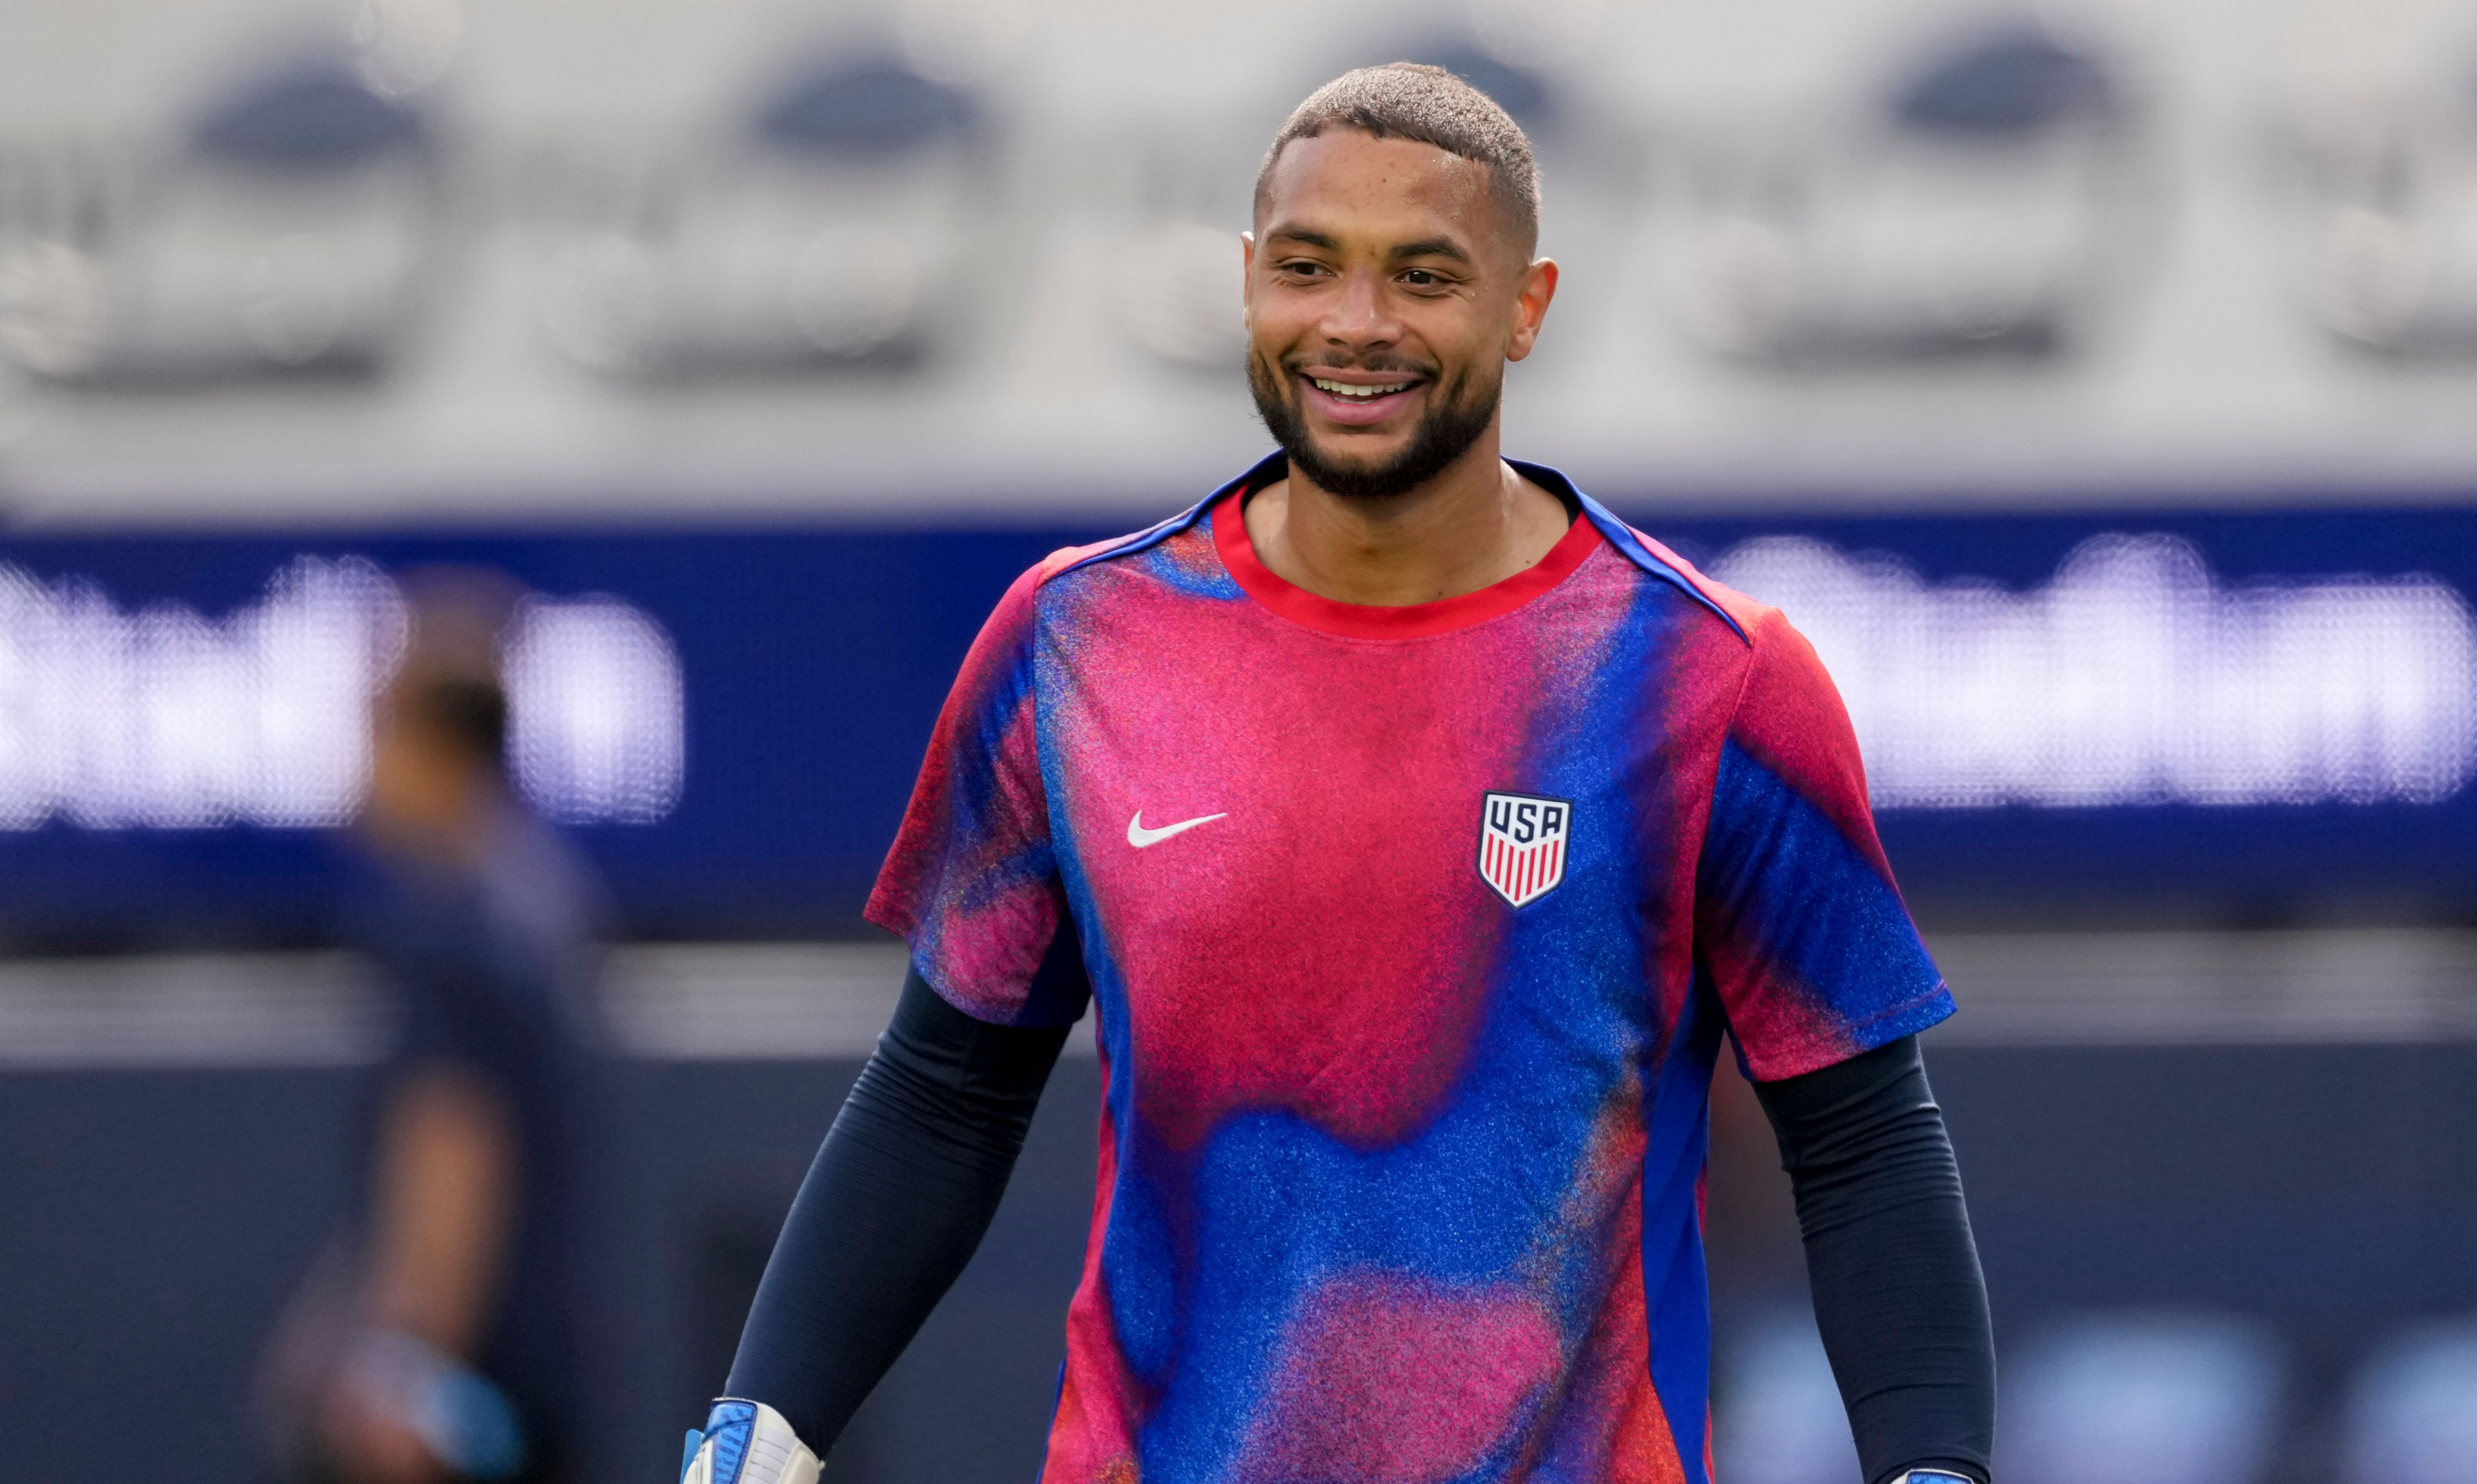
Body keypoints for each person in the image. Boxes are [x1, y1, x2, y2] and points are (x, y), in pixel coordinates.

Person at [682, 64, 1993, 1484]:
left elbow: (1863, 1142)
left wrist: (1936, 1464)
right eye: (1309, 268)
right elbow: (944, 1090)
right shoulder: (1074, 641)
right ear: (1249, 284)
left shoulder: (1710, 677)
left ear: (1527, 304)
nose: (1356, 325)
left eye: (1424, 275)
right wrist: (762, 1432)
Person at [262, 586, 609, 1484]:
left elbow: (452, 1157)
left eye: (377, 734)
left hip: (453, 1425)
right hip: (536, 1403)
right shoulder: (540, 898)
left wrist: (394, 1377)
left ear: (436, 747)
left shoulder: (448, 925)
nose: (361, 769)